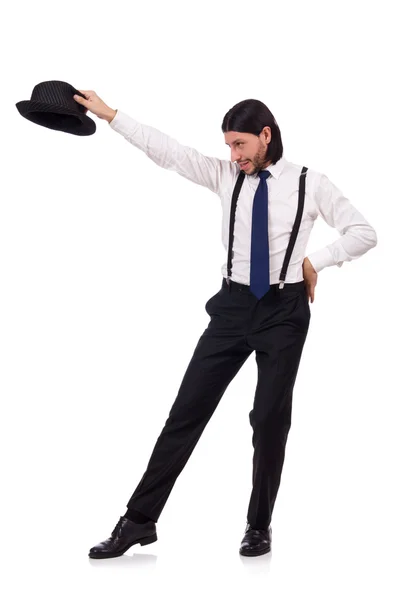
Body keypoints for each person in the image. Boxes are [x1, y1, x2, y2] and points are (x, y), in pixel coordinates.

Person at [74, 91, 377, 558]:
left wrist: (317, 261)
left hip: (284, 311)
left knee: (270, 422)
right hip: (232, 309)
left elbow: (363, 232)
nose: (233, 156)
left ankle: (259, 526)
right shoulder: (225, 175)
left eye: (240, 145)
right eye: (229, 147)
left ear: (265, 136)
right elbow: (169, 152)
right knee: (185, 414)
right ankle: (137, 521)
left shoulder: (309, 183)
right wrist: (111, 115)